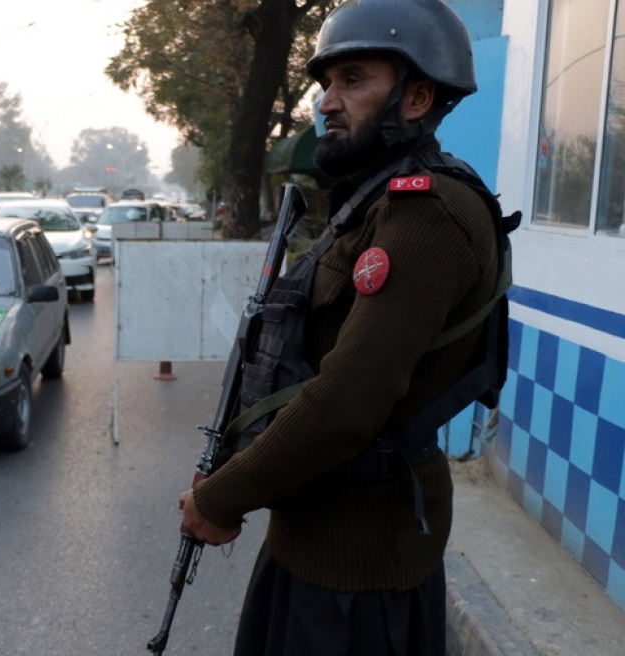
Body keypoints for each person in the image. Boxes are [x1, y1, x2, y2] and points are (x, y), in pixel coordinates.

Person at [176, 1, 515, 654]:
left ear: (417, 97)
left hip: (357, 578)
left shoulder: (428, 213)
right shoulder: (371, 204)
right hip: (312, 543)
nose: (327, 102)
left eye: (353, 80)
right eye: (326, 83)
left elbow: (348, 400)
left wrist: (224, 497)